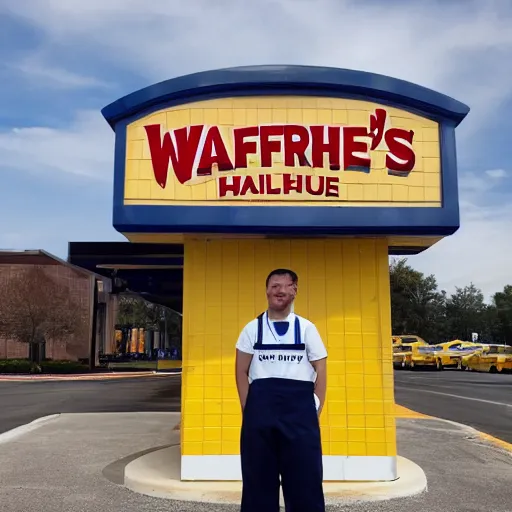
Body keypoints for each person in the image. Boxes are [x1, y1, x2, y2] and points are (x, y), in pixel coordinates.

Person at [235, 268, 327, 512]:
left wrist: (314, 407)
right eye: (275, 285)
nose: (280, 291)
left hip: (300, 418)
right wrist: (250, 410)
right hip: (259, 417)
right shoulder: (251, 329)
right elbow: (241, 372)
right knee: (258, 483)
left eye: (286, 286)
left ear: (295, 291)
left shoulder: (307, 329)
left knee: (305, 482)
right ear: (267, 290)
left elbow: (321, 371)